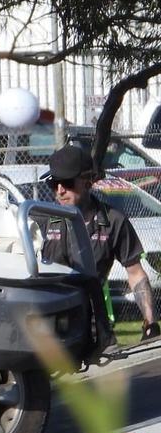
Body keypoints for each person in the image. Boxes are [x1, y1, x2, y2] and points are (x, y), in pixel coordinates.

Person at [40, 145, 160, 342]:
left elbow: (135, 273)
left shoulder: (113, 220)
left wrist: (150, 322)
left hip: (93, 326)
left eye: (68, 183)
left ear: (88, 182)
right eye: (54, 183)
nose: (60, 191)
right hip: (49, 324)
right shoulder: (42, 220)